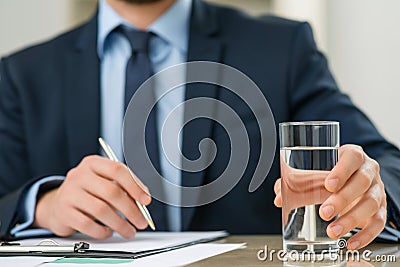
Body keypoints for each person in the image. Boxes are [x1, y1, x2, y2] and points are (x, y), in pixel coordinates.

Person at [0, 0, 399, 251]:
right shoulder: (24, 74)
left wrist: (371, 190)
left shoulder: (282, 48)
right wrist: (43, 205)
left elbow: (384, 164)